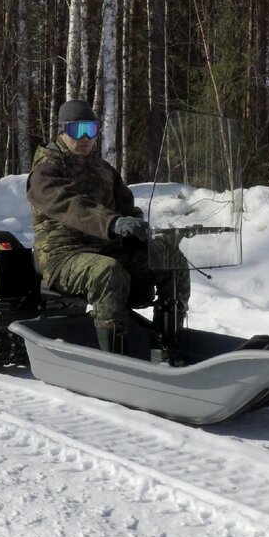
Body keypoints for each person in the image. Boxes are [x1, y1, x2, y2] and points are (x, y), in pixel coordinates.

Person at [27, 99, 190, 355]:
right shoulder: (46, 171)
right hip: (63, 256)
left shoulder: (104, 170)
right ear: (61, 132)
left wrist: (140, 232)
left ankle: (170, 342)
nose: (84, 138)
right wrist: (113, 223)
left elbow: (127, 209)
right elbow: (72, 206)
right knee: (108, 271)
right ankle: (114, 358)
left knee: (170, 258)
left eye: (90, 130)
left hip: (106, 250)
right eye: (76, 130)